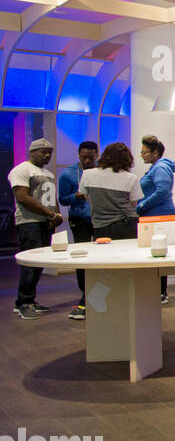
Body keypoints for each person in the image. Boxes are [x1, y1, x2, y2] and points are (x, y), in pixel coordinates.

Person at [9, 137, 62, 320]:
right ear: (32, 152)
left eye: (50, 152)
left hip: (45, 222)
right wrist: (50, 214)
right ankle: (23, 302)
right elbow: (23, 197)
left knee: (39, 264)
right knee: (30, 264)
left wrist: (56, 215)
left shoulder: (48, 173)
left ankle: (30, 299)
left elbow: (51, 197)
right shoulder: (21, 170)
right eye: (43, 152)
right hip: (29, 222)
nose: (47, 155)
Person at [58, 141, 97, 320]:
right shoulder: (68, 174)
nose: (88, 159)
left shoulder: (102, 172)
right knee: (82, 257)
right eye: (84, 157)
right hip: (79, 220)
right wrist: (77, 196)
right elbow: (63, 200)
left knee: (101, 258)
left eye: (91, 156)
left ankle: (95, 296)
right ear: (78, 155)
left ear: (97, 154)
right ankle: (85, 295)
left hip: (99, 220)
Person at [138, 135, 175, 303]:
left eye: (145, 152)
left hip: (160, 216)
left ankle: (161, 292)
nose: (142, 155)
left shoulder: (160, 168)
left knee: (159, 253)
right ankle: (158, 291)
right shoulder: (156, 167)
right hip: (154, 215)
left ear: (155, 153)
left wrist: (141, 206)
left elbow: (162, 192)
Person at [79, 142, 143, 241]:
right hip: (126, 225)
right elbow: (133, 204)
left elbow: (87, 197)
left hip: (99, 226)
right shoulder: (131, 178)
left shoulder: (87, 174)